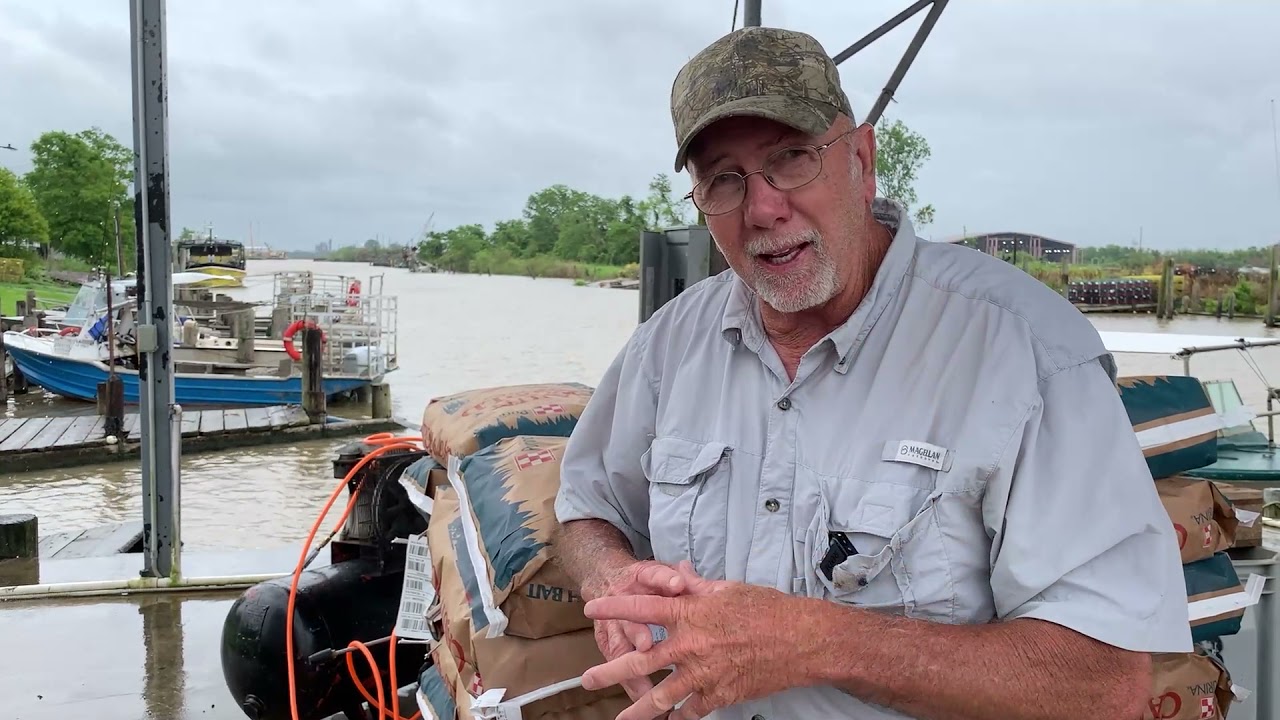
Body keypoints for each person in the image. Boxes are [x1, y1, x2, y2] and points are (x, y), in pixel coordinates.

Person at [553, 25, 1191, 720]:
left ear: (862, 159)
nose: (763, 207)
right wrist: (611, 580)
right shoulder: (669, 344)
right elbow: (585, 511)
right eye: (723, 180)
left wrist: (813, 642)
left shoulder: (1026, 351)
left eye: (791, 158)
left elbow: (1103, 682)